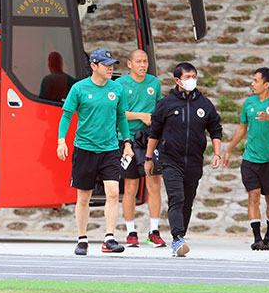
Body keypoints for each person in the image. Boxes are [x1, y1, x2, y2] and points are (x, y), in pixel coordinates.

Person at [57, 48, 134, 256]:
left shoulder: (116, 89)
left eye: (112, 65)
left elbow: (121, 118)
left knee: (113, 192)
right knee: (84, 197)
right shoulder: (79, 88)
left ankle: (109, 237)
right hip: (85, 149)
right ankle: (82, 239)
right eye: (106, 64)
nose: (110, 68)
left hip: (110, 149)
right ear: (93, 66)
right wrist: (61, 140)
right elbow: (67, 115)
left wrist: (127, 143)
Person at [145, 62, 223, 257]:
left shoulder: (204, 104)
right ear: (177, 80)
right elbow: (154, 133)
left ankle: (180, 237)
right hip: (171, 159)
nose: (192, 80)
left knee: (187, 201)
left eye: (194, 76)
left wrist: (217, 153)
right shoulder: (166, 104)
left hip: (194, 161)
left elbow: (215, 129)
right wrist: (148, 157)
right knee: (176, 197)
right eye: (188, 77)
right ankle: (177, 238)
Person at [222, 67, 269, 251]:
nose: (252, 84)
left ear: (266, 84)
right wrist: (229, 150)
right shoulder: (249, 103)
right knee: (253, 196)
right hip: (250, 159)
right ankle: (257, 237)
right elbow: (242, 127)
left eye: (256, 81)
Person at [115, 49, 167, 248]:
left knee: (154, 185)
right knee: (131, 186)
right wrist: (140, 116)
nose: (143, 65)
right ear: (129, 64)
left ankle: (153, 232)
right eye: (138, 61)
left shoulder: (154, 83)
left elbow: (159, 109)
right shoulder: (120, 85)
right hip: (128, 140)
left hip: (150, 140)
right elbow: (118, 113)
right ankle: (131, 232)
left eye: (145, 61)